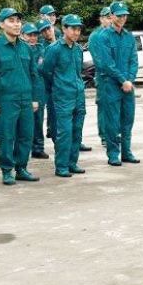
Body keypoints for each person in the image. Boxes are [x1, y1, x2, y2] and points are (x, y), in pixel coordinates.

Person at [0, 8, 39, 185]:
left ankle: (21, 167)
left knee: (26, 135)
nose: (16, 24)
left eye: (18, 21)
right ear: (1, 24)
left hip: (25, 98)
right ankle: (7, 170)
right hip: (6, 99)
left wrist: (35, 98)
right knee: (7, 135)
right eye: (11, 21)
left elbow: (34, 75)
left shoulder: (26, 48)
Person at [89, 1, 139, 166]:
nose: (123, 18)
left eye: (125, 15)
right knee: (112, 120)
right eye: (119, 15)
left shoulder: (129, 36)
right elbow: (106, 63)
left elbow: (133, 60)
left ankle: (127, 152)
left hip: (127, 85)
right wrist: (122, 80)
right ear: (111, 16)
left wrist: (130, 80)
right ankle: (113, 154)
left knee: (127, 119)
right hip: (110, 84)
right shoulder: (102, 37)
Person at [41, 14, 87, 177]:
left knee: (77, 130)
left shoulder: (78, 50)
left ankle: (72, 163)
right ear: (65, 29)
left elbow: (78, 72)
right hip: (62, 96)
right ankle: (61, 166)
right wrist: (57, 88)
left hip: (78, 95)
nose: (76, 32)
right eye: (73, 28)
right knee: (64, 132)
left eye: (78, 29)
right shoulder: (54, 49)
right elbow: (46, 71)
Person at [22, 23, 50, 160]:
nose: (33, 38)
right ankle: (23, 150)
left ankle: (38, 148)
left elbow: (41, 67)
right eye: (29, 35)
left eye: (35, 35)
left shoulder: (41, 48)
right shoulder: (20, 49)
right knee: (23, 122)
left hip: (38, 89)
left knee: (38, 120)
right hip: (23, 89)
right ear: (22, 35)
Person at [87, 6, 113, 147]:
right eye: (108, 18)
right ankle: (104, 136)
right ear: (101, 19)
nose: (110, 21)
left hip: (116, 77)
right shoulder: (96, 36)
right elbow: (99, 59)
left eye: (112, 17)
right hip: (104, 76)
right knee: (103, 106)